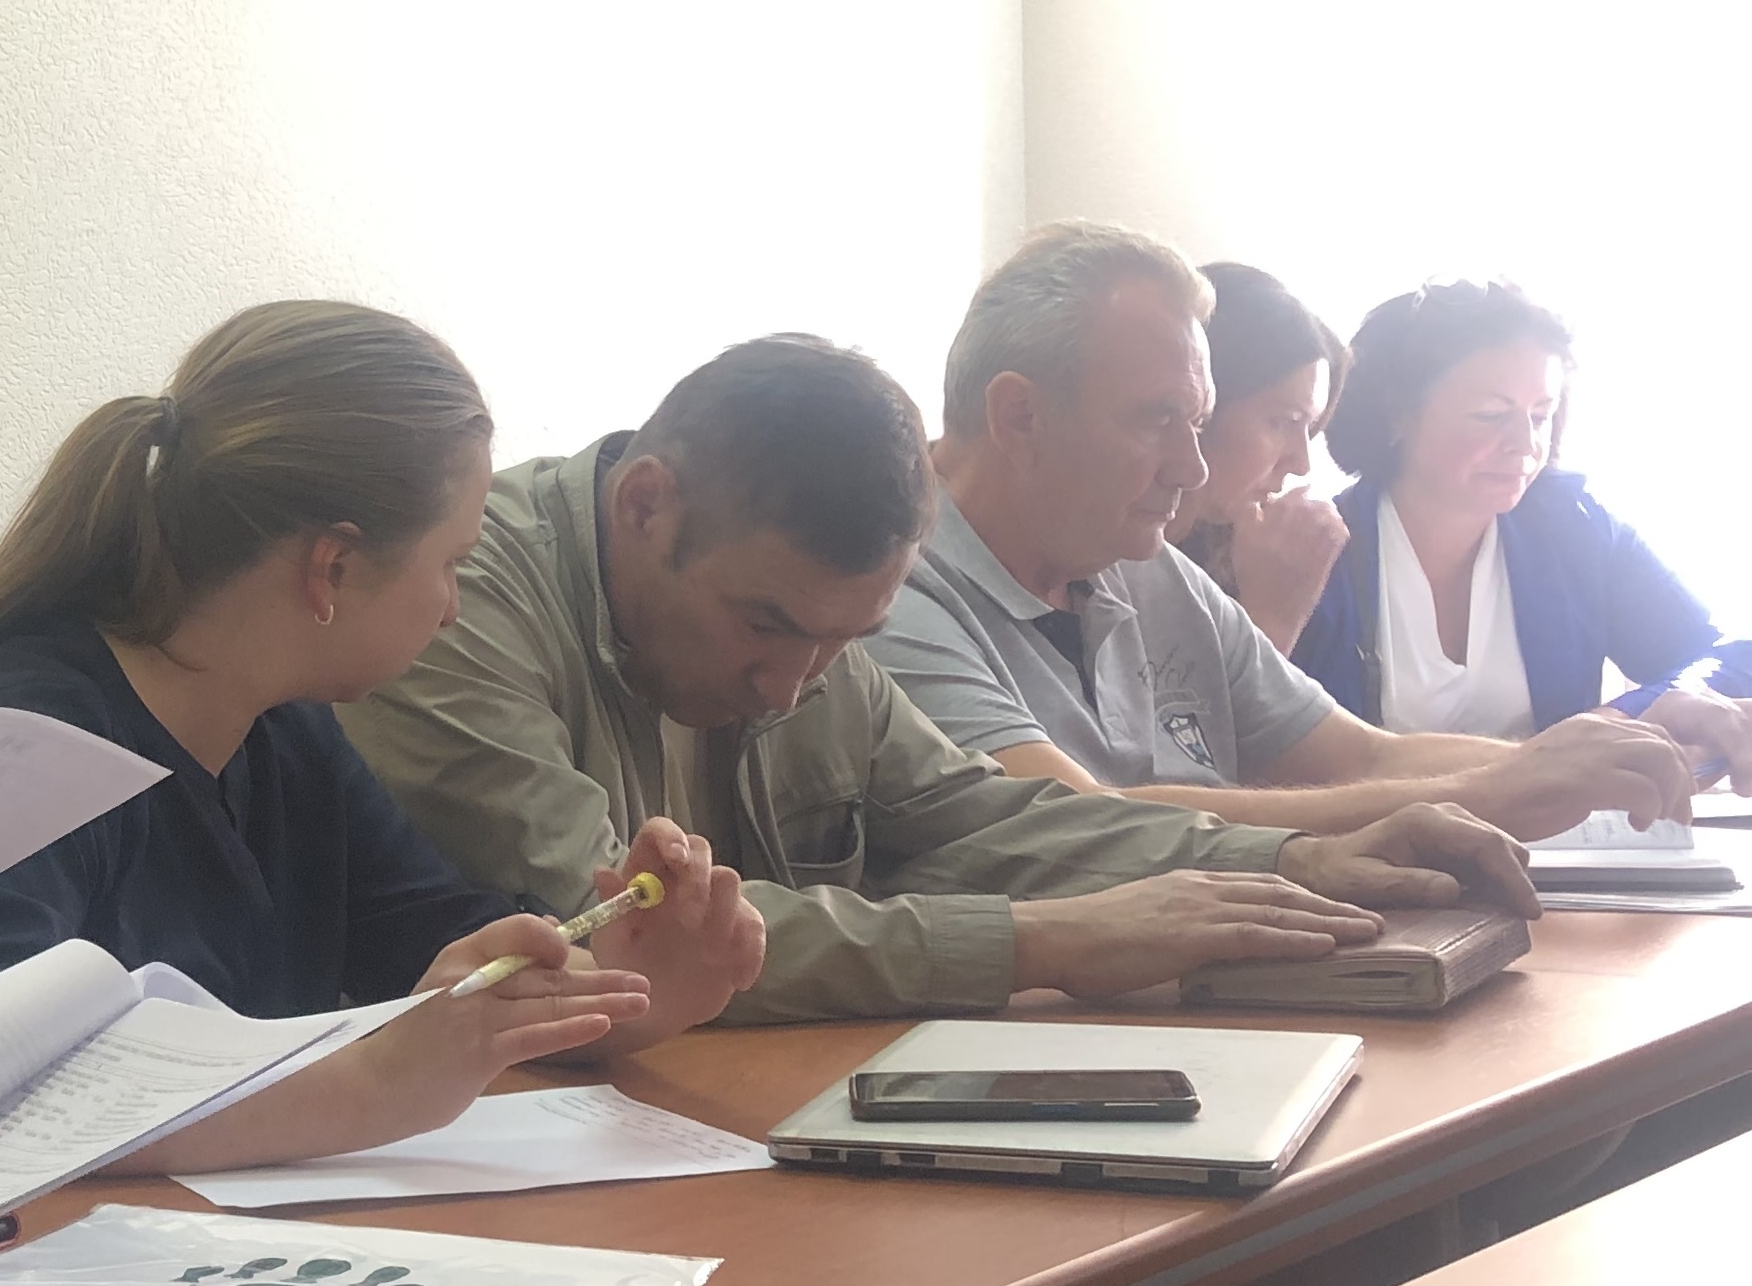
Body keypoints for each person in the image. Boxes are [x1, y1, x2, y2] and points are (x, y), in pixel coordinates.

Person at [343, 332, 1538, 1021]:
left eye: (841, 641)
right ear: (645, 505)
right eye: (764, 626)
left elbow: (976, 811)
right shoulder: (455, 601)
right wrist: (1039, 941)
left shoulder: (812, 629)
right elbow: (612, 930)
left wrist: (1286, 859)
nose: (787, 688)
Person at [0, 300, 764, 1170]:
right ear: (332, 567)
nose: (452, 609)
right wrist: (373, 1084)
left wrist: (646, 989)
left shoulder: (283, 731)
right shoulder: (11, 740)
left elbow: (443, 966)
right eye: (451, 563)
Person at [871, 225, 1692, 839]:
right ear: (1019, 416)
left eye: (1197, 423)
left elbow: (1357, 754)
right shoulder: (889, 592)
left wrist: (1583, 757)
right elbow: (1072, 822)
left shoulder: (1136, 561)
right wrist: (1489, 791)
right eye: (1157, 420)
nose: (1191, 468)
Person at [1291, 280, 1752, 784]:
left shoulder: (1573, 527)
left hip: (1561, 831)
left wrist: (1624, 719)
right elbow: (1281, 752)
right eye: (1491, 416)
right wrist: (1565, 751)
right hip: (1377, 827)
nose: (1526, 443)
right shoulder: (1318, 550)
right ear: (1396, 414)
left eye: (1540, 415)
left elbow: (1727, 655)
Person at [1178, 260, 1347, 650]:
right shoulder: (1111, 563)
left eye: (1310, 427)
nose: (1300, 464)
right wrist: (1273, 617)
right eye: (1283, 421)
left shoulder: (1250, 555)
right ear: (1203, 406)